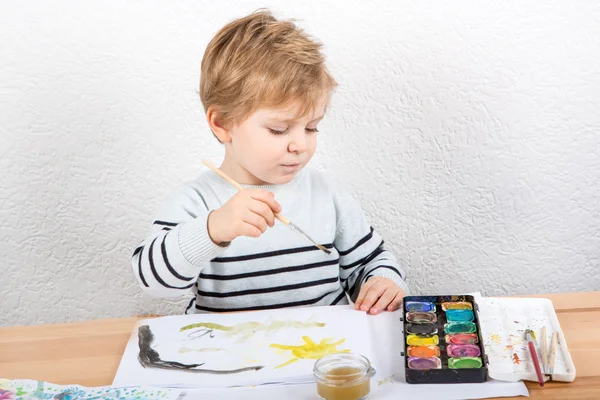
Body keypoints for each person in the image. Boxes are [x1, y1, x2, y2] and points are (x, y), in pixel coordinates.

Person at [131, 9, 408, 316]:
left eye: (311, 127)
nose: (300, 144)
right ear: (222, 123)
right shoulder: (195, 202)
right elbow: (153, 283)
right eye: (279, 129)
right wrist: (213, 229)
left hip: (323, 355)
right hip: (227, 359)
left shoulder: (327, 196)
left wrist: (383, 281)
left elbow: (371, 261)